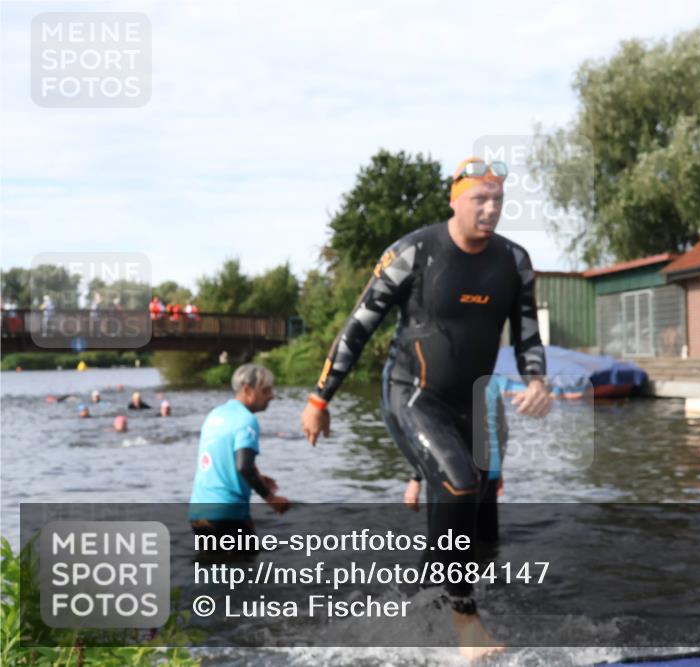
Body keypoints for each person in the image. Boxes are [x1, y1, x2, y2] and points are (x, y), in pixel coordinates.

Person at [300, 157, 552, 660]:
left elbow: (526, 334)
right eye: (480, 198)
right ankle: (466, 624)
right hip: (411, 395)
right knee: (459, 481)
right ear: (454, 200)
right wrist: (319, 397)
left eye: (498, 200)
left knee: (471, 499)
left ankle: (420, 606)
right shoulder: (413, 251)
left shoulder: (515, 262)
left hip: (472, 404)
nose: (490, 209)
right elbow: (359, 325)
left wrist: (538, 380)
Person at [190, 364, 289, 551]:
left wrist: (259, 478)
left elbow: (227, 459)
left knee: (212, 571)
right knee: (246, 573)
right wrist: (271, 498)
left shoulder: (215, 414)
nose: (271, 395)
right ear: (247, 390)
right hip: (227, 513)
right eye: (266, 390)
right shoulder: (246, 420)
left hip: (198, 513)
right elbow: (244, 466)